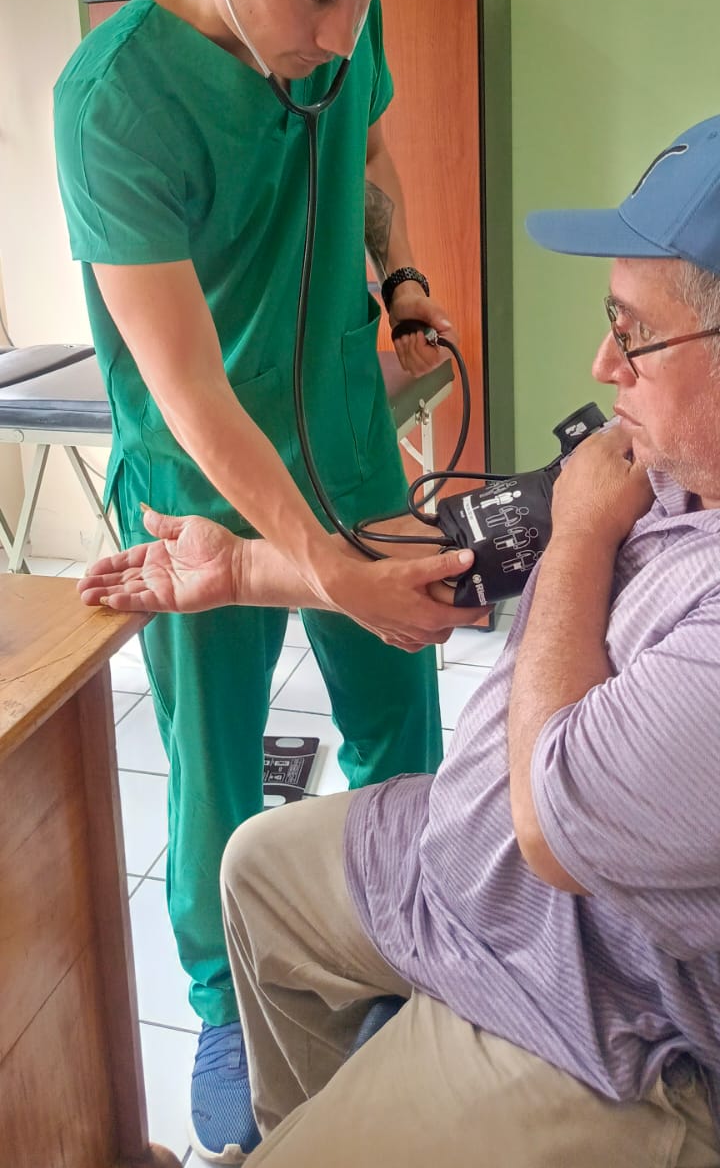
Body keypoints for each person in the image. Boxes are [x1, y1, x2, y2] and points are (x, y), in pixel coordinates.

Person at [82, 116, 720, 1166]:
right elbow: (466, 547)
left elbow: (550, 824)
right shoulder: (671, 456)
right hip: (471, 874)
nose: (602, 361)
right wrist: (241, 570)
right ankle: (320, 1113)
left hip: (604, 1014)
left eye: (635, 332)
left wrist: (581, 536)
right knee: (256, 868)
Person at [53, 0, 477, 1162]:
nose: (342, 35)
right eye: (320, 0)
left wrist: (399, 278)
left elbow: (372, 154)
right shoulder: (114, 104)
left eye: (365, 0)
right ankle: (222, 1001)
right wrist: (318, 566)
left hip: (352, 441)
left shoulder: (339, 21)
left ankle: (399, 947)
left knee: (400, 729)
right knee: (214, 771)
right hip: (199, 488)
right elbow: (189, 388)